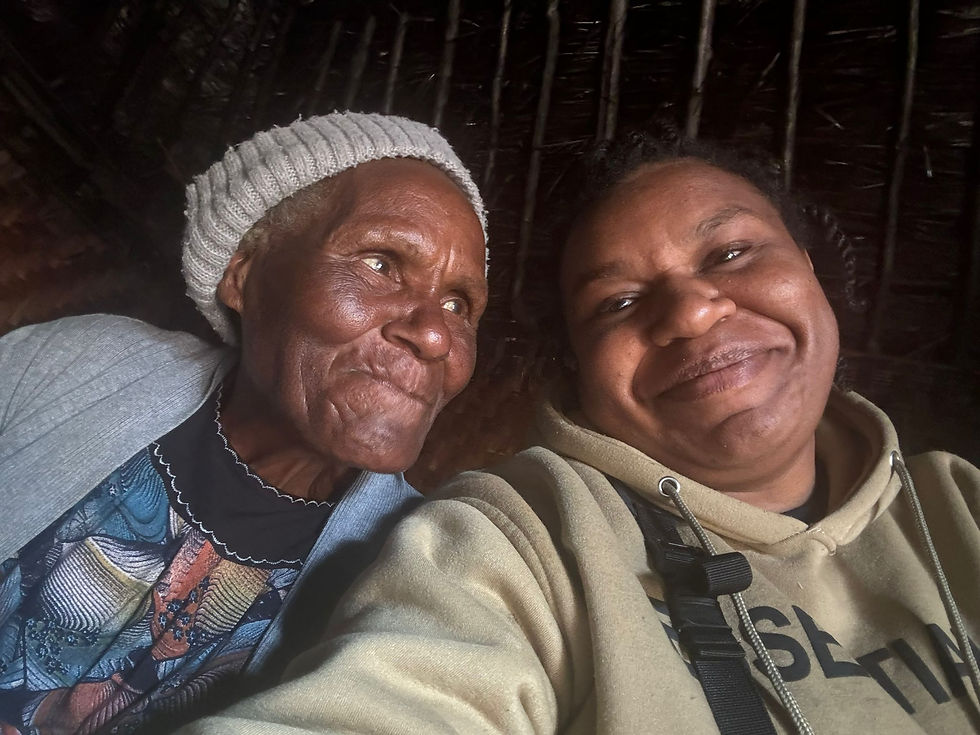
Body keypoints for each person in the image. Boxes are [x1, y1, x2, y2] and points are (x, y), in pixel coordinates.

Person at [178, 131, 980, 735]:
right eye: (619, 303)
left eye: (732, 252)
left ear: (806, 266)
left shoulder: (962, 507)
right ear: (583, 371)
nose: (693, 311)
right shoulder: (524, 535)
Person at [0, 111, 489, 734]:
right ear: (244, 273)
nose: (434, 332)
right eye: (381, 263)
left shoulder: (418, 565)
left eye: (460, 304)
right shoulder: (80, 366)